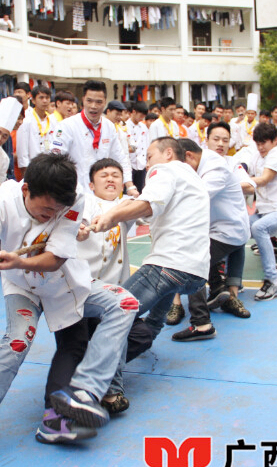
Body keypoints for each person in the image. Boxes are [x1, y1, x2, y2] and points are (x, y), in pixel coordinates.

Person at [0, 152, 133, 467]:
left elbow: (56, 258)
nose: (53, 214)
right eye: (47, 208)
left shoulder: (71, 200)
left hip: (66, 284)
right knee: (16, 343)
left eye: (58, 210)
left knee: (124, 304)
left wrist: (21, 260)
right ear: (26, 191)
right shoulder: (3, 199)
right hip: (23, 287)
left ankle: (84, 391)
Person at [88, 137, 209, 407]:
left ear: (167, 153)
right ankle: (108, 364)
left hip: (168, 264)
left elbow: (148, 203)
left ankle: (111, 388)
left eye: (149, 155)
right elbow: (146, 208)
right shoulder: (193, 178)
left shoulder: (165, 170)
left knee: (115, 314)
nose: (146, 163)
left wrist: (110, 217)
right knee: (153, 323)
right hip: (194, 274)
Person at [38, 158, 135, 440]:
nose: (111, 179)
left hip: (109, 295)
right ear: (91, 184)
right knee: (74, 345)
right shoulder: (84, 202)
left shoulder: (126, 207)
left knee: (135, 333)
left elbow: (151, 209)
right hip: (74, 288)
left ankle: (100, 389)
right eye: (103, 175)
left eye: (116, 175)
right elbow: (72, 224)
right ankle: (53, 418)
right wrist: (78, 229)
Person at [171, 138, 250, 341]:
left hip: (228, 231)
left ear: (189, 155)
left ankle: (201, 323)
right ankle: (216, 290)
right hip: (216, 228)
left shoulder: (215, 168)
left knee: (191, 264)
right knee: (198, 244)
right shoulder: (203, 163)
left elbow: (196, 198)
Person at [51, 80, 136, 195]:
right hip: (74, 192)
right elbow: (55, 161)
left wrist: (130, 186)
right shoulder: (67, 126)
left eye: (99, 102)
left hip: (101, 193)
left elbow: (120, 158)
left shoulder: (109, 127)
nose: (93, 106)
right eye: (89, 101)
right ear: (83, 100)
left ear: (105, 102)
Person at [247, 122, 277, 301]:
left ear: (274, 140)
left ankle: (273, 281)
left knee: (259, 227)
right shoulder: (257, 156)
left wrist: (240, 183)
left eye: (263, 143)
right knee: (236, 224)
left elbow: (265, 179)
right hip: (263, 211)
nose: (260, 147)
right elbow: (246, 170)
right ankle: (231, 279)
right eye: (257, 143)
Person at [16, 85, 54, 177]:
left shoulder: (53, 120)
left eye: (47, 98)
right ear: (33, 100)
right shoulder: (26, 121)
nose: (44, 101)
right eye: (41, 98)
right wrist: (25, 171)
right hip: (32, 167)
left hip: (50, 167)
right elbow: (22, 150)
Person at [125, 101, 149, 193]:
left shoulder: (143, 127)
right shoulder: (125, 126)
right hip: (130, 164)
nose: (142, 117)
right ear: (134, 112)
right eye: (141, 114)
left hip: (142, 164)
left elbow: (146, 145)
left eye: (144, 115)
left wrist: (147, 161)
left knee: (140, 190)